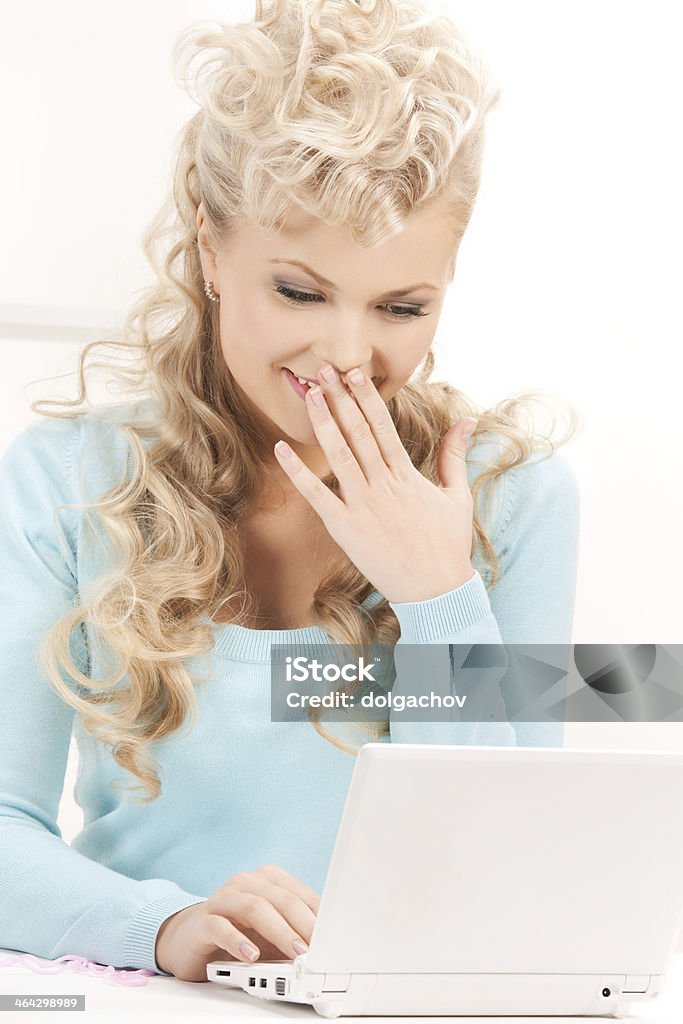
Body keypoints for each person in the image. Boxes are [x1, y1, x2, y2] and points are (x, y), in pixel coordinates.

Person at [0, 0, 579, 985]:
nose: (347, 356)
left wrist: (436, 594)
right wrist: (167, 923)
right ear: (212, 253)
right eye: (300, 293)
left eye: (401, 306)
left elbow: (506, 865)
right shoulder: (64, 482)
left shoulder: (513, 495)